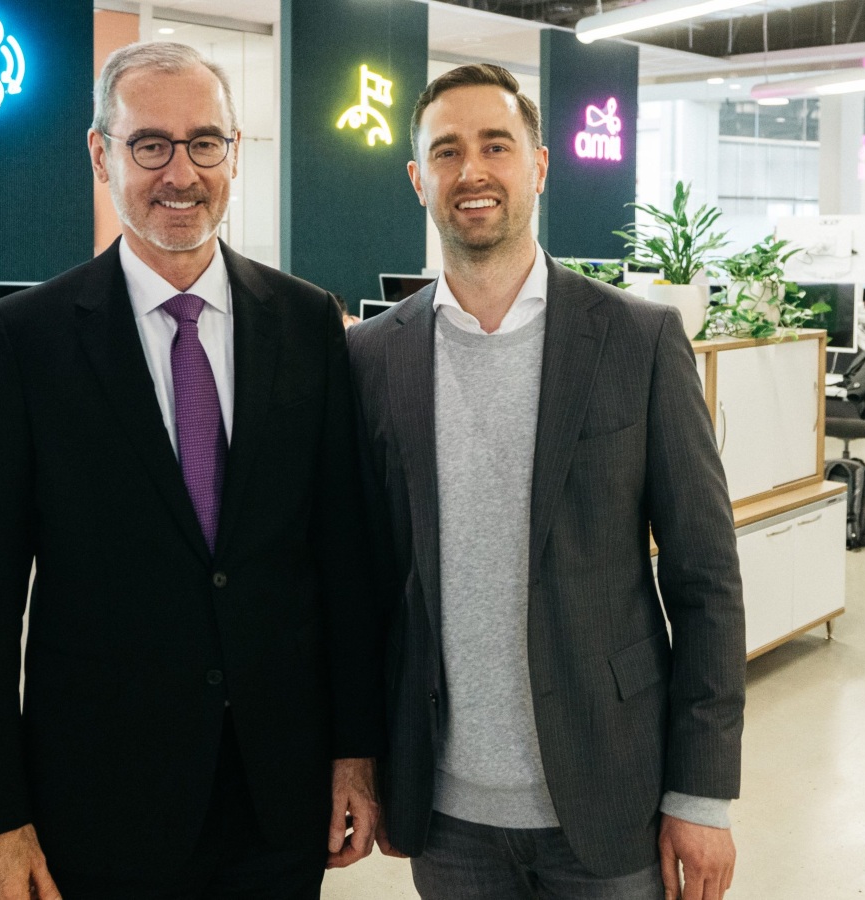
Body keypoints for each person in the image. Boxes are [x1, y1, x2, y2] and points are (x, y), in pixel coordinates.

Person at [0, 42, 382, 900]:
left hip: (277, 792)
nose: (179, 172)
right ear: (101, 152)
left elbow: (342, 557)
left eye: (203, 143)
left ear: (234, 154)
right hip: (102, 799)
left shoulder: (305, 323)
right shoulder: (25, 341)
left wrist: (355, 753)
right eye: (151, 144)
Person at [347, 64, 746, 900]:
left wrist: (701, 794)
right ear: (420, 179)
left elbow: (706, 578)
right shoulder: (373, 356)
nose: (473, 171)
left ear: (539, 164)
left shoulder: (638, 339)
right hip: (448, 819)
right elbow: (363, 588)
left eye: (497, 145)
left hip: (609, 795)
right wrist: (359, 757)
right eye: (447, 152)